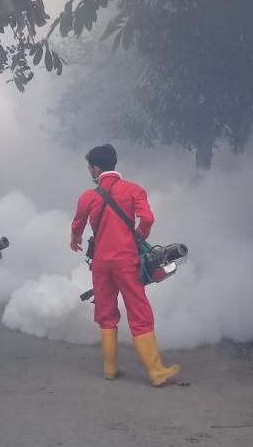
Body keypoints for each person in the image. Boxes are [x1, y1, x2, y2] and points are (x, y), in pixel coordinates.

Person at [70, 144, 181, 386]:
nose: (89, 171)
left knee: (106, 313)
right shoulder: (133, 190)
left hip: (101, 264)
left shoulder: (88, 196)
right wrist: (139, 236)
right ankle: (155, 371)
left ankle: (110, 367)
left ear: (96, 169)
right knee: (139, 312)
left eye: (89, 167)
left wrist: (75, 240)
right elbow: (147, 219)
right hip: (127, 261)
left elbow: (77, 225)